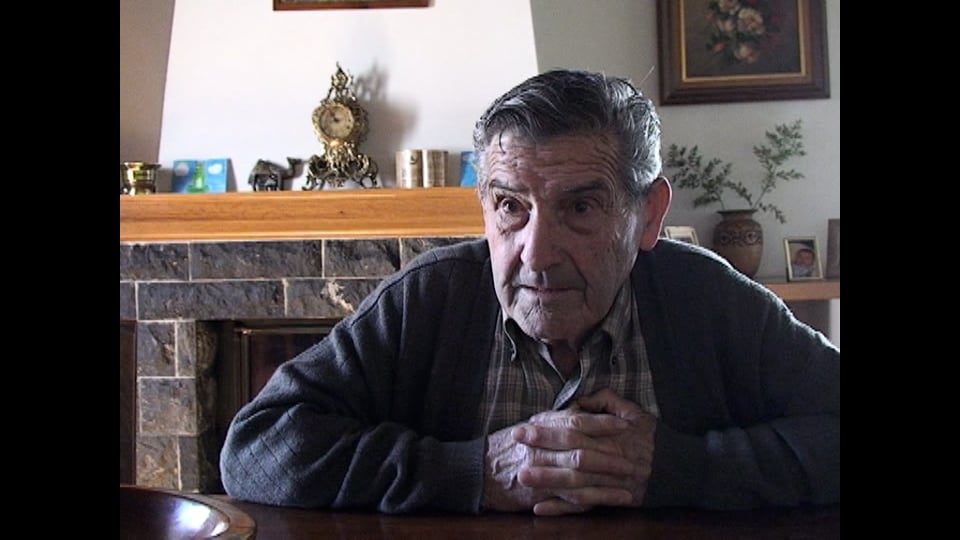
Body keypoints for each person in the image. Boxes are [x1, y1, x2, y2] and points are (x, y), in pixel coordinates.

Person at [220, 69, 840, 515]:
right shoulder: (427, 301)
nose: (536, 255)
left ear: (648, 215)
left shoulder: (708, 300)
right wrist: (473, 473)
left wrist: (677, 468)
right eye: (511, 207)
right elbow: (257, 448)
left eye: (581, 207)